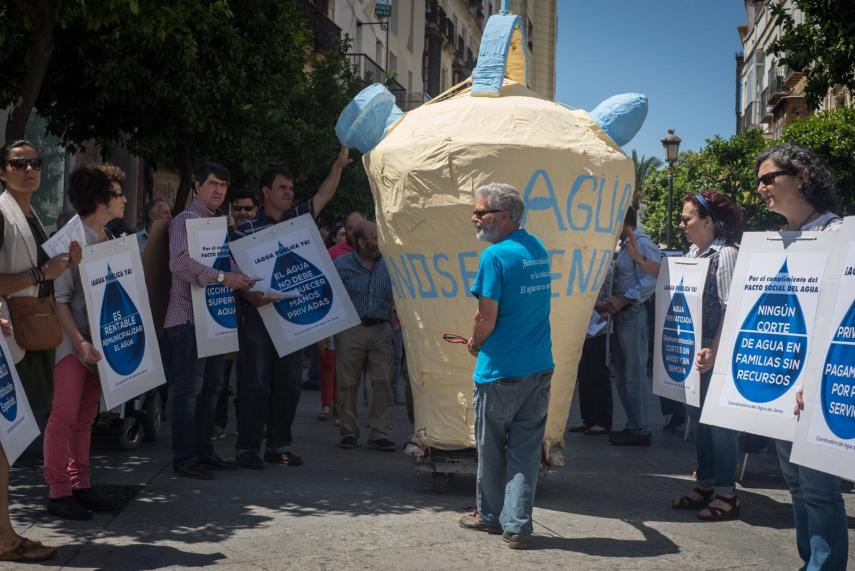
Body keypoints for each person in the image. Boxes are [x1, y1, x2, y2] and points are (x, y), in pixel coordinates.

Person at [755, 143, 848, 570]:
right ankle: (809, 559)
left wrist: (815, 381)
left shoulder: (838, 236)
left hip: (815, 386)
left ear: (801, 177)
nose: (761, 188)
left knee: (816, 487)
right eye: (758, 180)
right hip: (781, 381)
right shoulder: (776, 242)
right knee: (794, 483)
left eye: (769, 177)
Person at [233, 147, 351, 469]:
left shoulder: (298, 220)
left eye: (292, 188)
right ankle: (247, 448)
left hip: (294, 317)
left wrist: (338, 165)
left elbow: (324, 193)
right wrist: (250, 297)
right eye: (283, 187)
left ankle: (278, 445)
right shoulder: (243, 231)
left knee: (289, 382)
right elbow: (235, 276)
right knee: (254, 382)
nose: (289, 193)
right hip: (258, 316)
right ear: (266, 192)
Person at [456, 183, 553, 550]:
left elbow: (486, 317)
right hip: (539, 367)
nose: (475, 218)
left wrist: (475, 342)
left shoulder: (494, 257)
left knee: (491, 448)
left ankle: (490, 516)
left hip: (500, 371)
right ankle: (517, 525)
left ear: (506, 217)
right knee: (526, 451)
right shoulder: (537, 249)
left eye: (482, 213)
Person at [0, 140, 77, 562]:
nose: (29, 169)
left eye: (34, 163)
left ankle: (6, 534)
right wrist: (40, 271)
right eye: (18, 163)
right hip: (11, 340)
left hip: (29, 336)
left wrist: (62, 263)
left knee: (8, 445)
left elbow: (42, 274)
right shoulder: (2, 213)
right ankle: (6, 540)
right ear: (2, 171)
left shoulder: (28, 215)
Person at [45, 165, 129, 520]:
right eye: (118, 193)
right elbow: (58, 300)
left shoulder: (106, 238)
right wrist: (79, 344)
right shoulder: (68, 240)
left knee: (85, 419)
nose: (124, 199)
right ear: (101, 200)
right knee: (63, 416)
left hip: (97, 345)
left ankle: (81, 486)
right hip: (70, 345)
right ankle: (58, 491)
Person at [165, 162, 253, 479]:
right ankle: (184, 457)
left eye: (223, 186)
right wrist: (220, 276)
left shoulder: (217, 225)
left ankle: (204, 451)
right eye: (213, 184)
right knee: (190, 390)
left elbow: (224, 269)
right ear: (197, 186)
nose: (218, 191)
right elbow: (178, 263)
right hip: (187, 316)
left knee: (213, 388)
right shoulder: (185, 220)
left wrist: (240, 278)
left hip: (214, 318)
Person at [669, 190, 743, 521]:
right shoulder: (694, 253)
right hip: (694, 351)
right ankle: (706, 482)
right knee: (699, 422)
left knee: (720, 425)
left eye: (688, 218)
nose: (682, 224)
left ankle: (727, 492)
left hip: (715, 349)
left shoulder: (725, 255)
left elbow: (730, 306)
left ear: (709, 221)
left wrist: (715, 348)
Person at [600, 206, 662, 446]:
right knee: (624, 373)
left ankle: (640, 427)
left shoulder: (642, 243)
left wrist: (625, 298)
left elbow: (653, 278)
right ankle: (633, 424)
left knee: (633, 374)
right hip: (622, 313)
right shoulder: (624, 245)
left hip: (633, 313)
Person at [333, 220, 396, 450]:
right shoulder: (342, 265)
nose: (381, 242)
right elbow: (329, 295)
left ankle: (380, 433)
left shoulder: (390, 263)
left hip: (381, 327)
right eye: (376, 237)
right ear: (361, 243)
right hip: (351, 328)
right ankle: (348, 431)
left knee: (383, 380)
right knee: (347, 382)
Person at [211, 188, 259, 439]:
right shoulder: (222, 238)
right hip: (228, 314)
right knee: (222, 374)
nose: (242, 213)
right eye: (237, 208)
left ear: (256, 211)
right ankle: (217, 424)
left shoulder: (262, 238)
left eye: (248, 208)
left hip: (255, 316)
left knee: (251, 376)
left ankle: (247, 426)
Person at [319, 211, 365, 421]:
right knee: (330, 363)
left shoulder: (372, 252)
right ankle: (328, 404)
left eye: (358, 227)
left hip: (363, 320)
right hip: (336, 317)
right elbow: (323, 286)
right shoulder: (334, 253)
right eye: (350, 227)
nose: (354, 231)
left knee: (350, 369)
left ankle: (343, 408)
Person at [568, 262, 614, 435]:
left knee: (597, 373)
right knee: (584, 374)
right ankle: (588, 418)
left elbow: (603, 298)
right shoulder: (588, 263)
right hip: (583, 326)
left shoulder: (604, 265)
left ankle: (602, 420)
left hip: (598, 326)